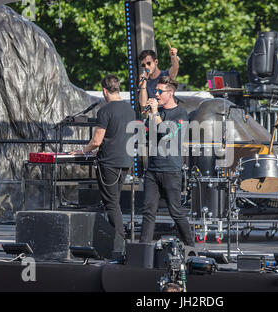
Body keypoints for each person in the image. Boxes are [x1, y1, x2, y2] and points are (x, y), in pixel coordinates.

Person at [70, 74, 135, 262]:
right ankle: (114, 241)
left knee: (111, 203)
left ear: (105, 91)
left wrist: (82, 151)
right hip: (125, 162)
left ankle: (120, 243)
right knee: (114, 201)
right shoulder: (130, 110)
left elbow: (97, 140)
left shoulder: (105, 111)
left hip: (109, 162)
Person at [139, 76, 194, 247]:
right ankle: (143, 249)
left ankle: (191, 247)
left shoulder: (181, 114)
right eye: (156, 91)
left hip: (171, 169)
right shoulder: (158, 112)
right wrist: (148, 116)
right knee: (148, 211)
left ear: (170, 93)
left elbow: (167, 136)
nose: (156, 94)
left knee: (175, 211)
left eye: (160, 91)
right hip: (153, 169)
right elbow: (146, 135)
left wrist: (155, 114)